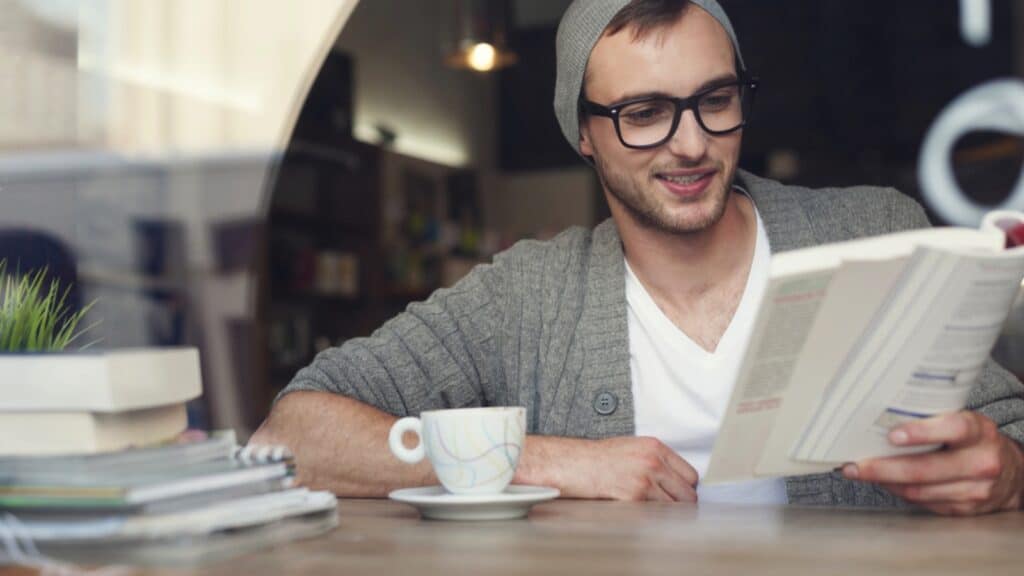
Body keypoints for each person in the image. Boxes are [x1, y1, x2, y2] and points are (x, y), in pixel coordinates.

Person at [251, 0, 1024, 515]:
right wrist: (548, 462)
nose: (690, 144)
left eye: (715, 101)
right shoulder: (528, 295)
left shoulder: (874, 230)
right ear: (583, 135)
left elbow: (1006, 430)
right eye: (643, 114)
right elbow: (291, 436)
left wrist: (1003, 471)